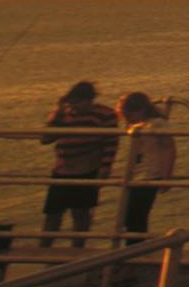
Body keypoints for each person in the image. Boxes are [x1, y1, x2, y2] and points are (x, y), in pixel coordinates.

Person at [42, 82, 119, 246]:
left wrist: (105, 167)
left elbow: (111, 143)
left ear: (89, 100)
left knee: (81, 214)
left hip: (87, 169)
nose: (74, 106)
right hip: (61, 170)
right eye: (71, 102)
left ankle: (77, 250)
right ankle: (44, 249)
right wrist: (57, 114)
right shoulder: (64, 114)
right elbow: (46, 139)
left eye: (78, 102)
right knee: (52, 215)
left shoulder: (104, 115)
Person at [115, 91, 176, 240]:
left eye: (130, 115)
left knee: (136, 217)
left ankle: (136, 248)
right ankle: (135, 247)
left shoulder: (155, 124)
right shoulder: (141, 124)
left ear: (141, 110)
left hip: (149, 175)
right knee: (130, 217)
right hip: (137, 175)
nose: (128, 120)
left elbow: (169, 149)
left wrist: (166, 177)